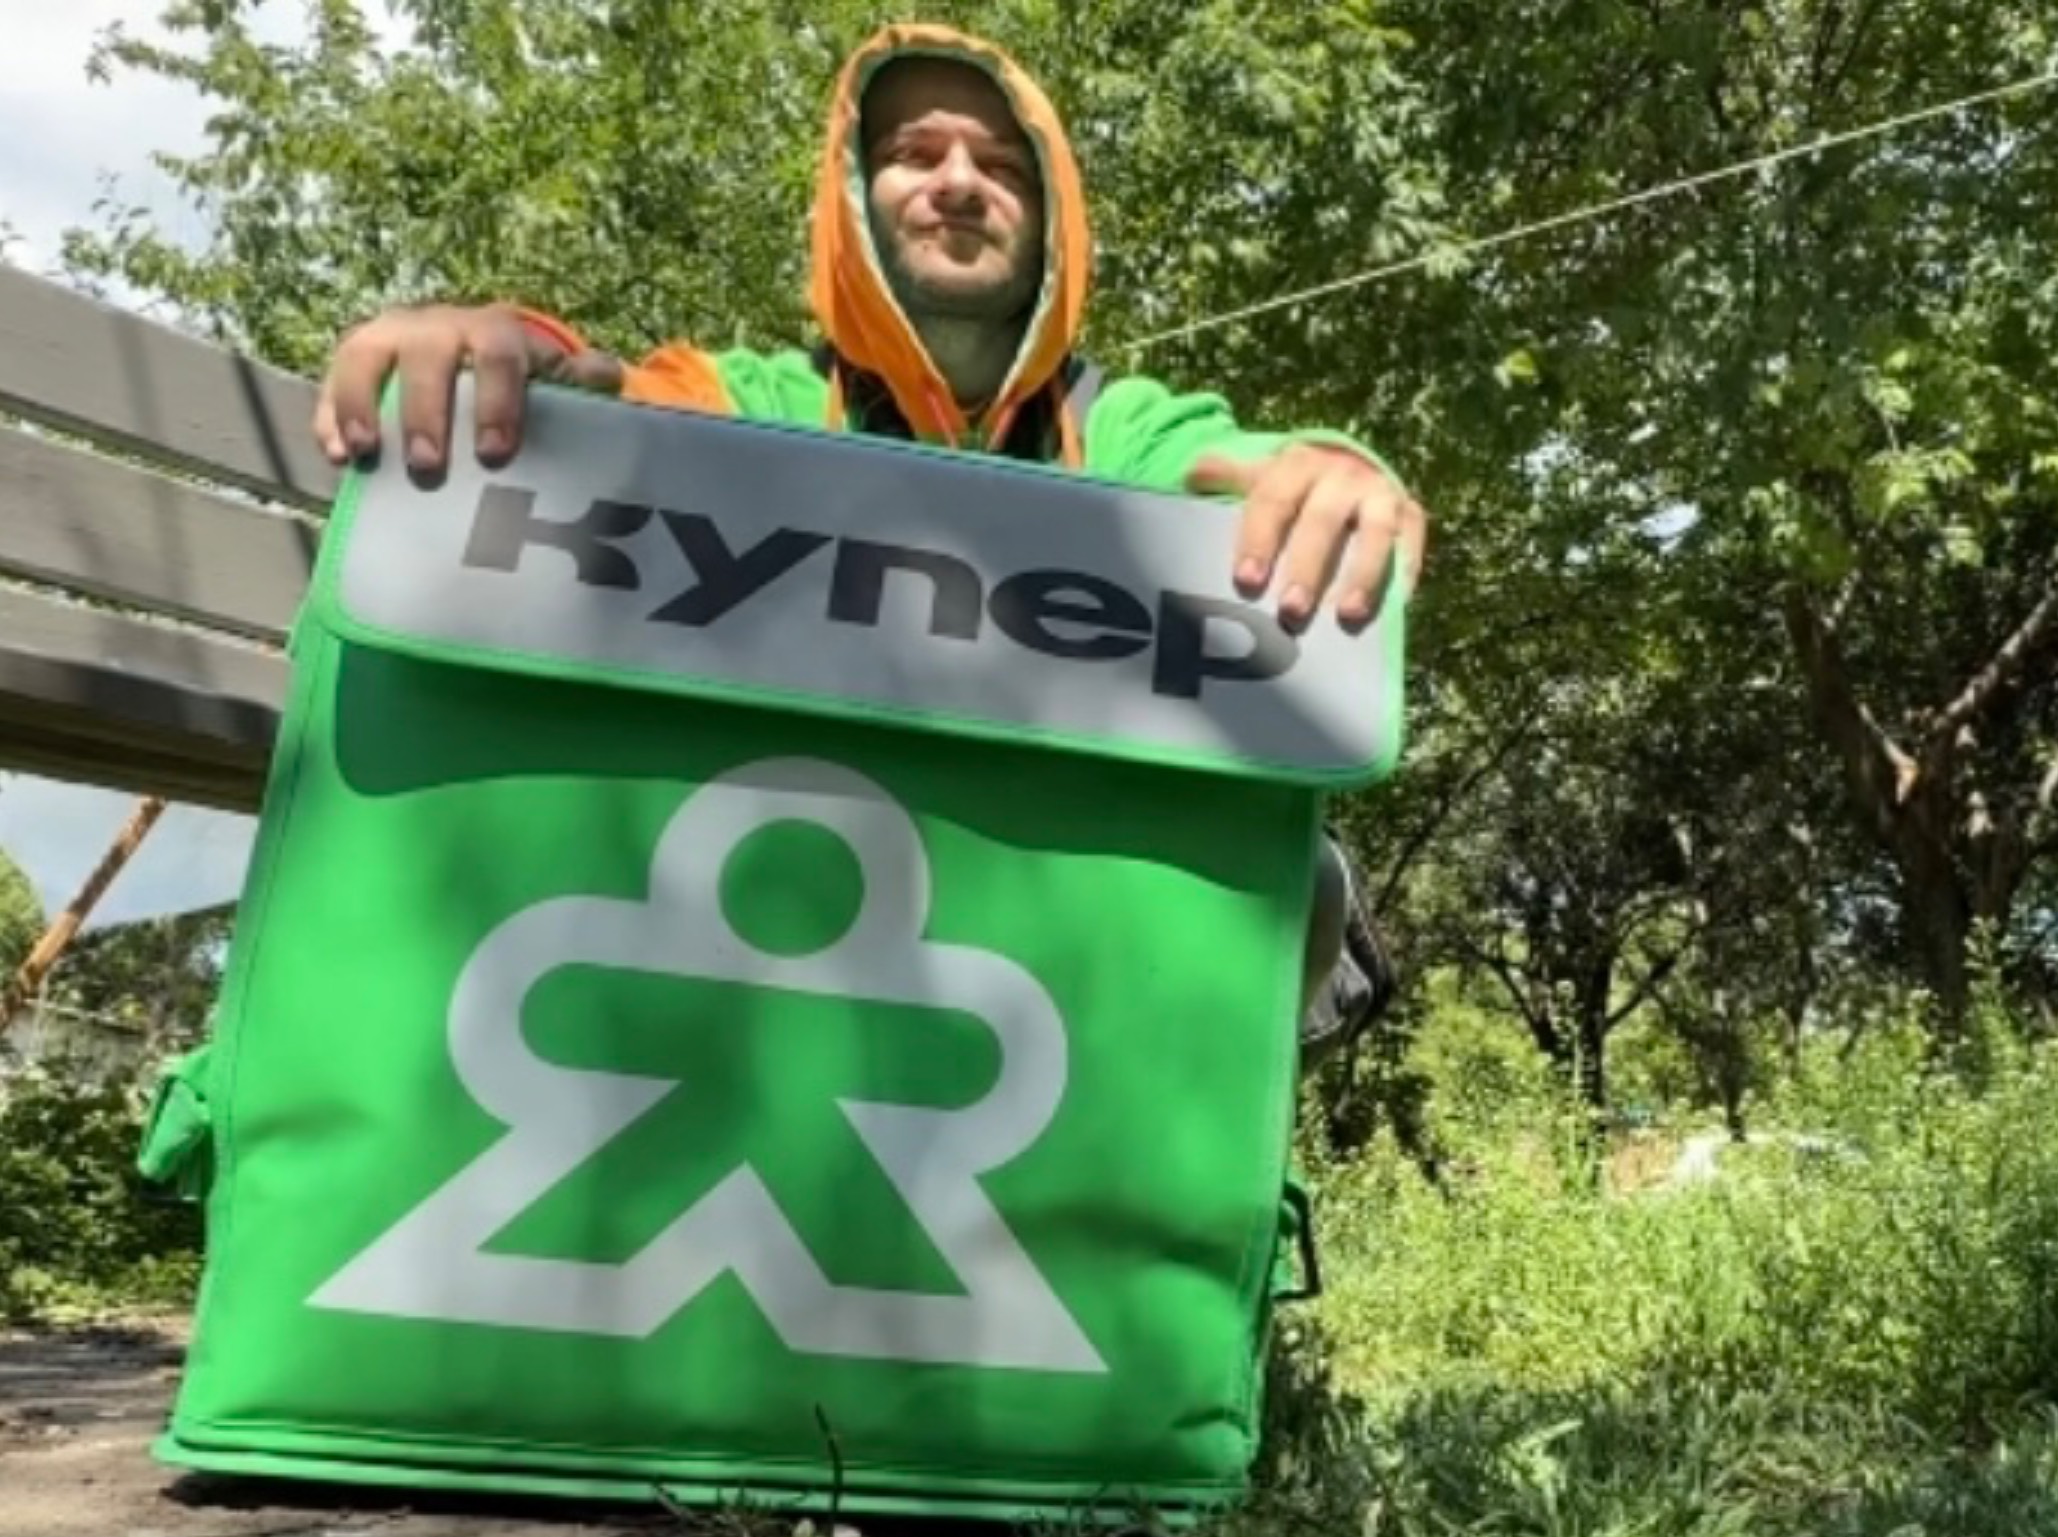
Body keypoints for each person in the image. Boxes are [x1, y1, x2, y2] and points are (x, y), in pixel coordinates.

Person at [307, 20, 1411, 1062]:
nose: (958, 181)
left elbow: (1234, 458)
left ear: (1056, 225)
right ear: (850, 200)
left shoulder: (1118, 433)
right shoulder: (743, 404)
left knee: (1304, 877)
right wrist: (508, 350)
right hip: (732, 961)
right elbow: (615, 404)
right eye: (912, 153)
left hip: (1050, 988)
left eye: (1002, 166)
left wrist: (1332, 471)